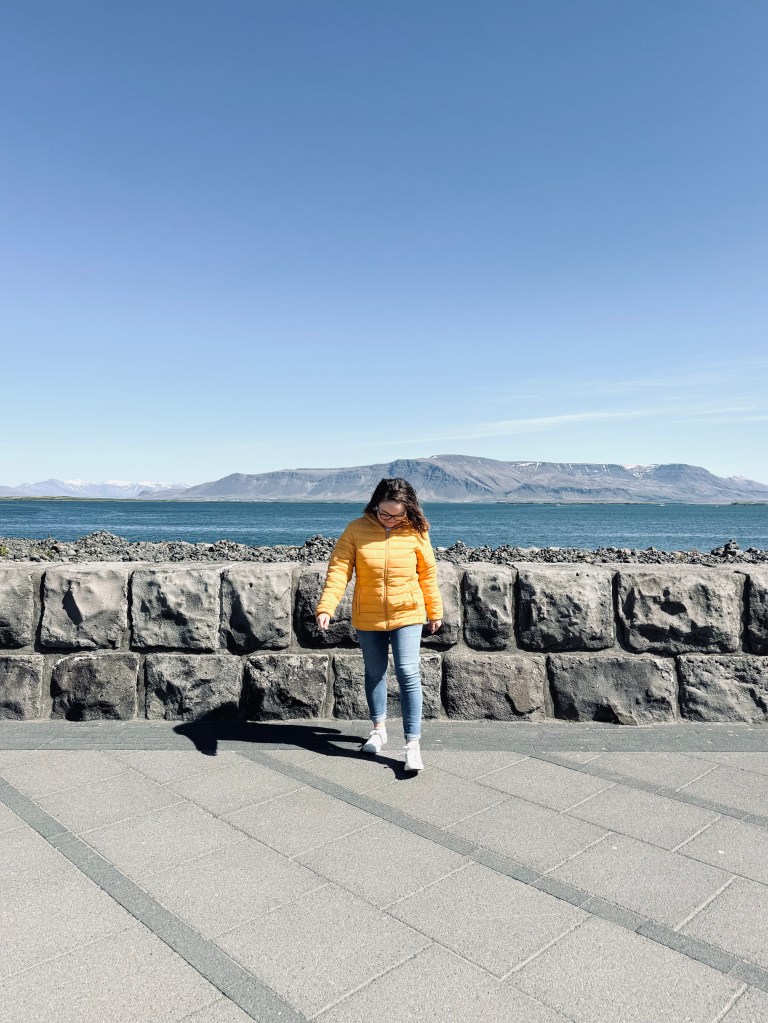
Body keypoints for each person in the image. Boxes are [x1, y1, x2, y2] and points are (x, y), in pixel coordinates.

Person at [315, 477, 443, 772]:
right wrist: (326, 607)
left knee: (408, 672)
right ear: (375, 505)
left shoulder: (417, 531)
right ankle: (378, 730)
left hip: (408, 613)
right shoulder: (356, 529)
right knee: (375, 672)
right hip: (369, 616)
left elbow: (428, 574)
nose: (391, 519)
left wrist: (434, 611)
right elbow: (338, 571)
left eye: (398, 514)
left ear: (408, 509)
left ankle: (412, 745)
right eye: (385, 513)